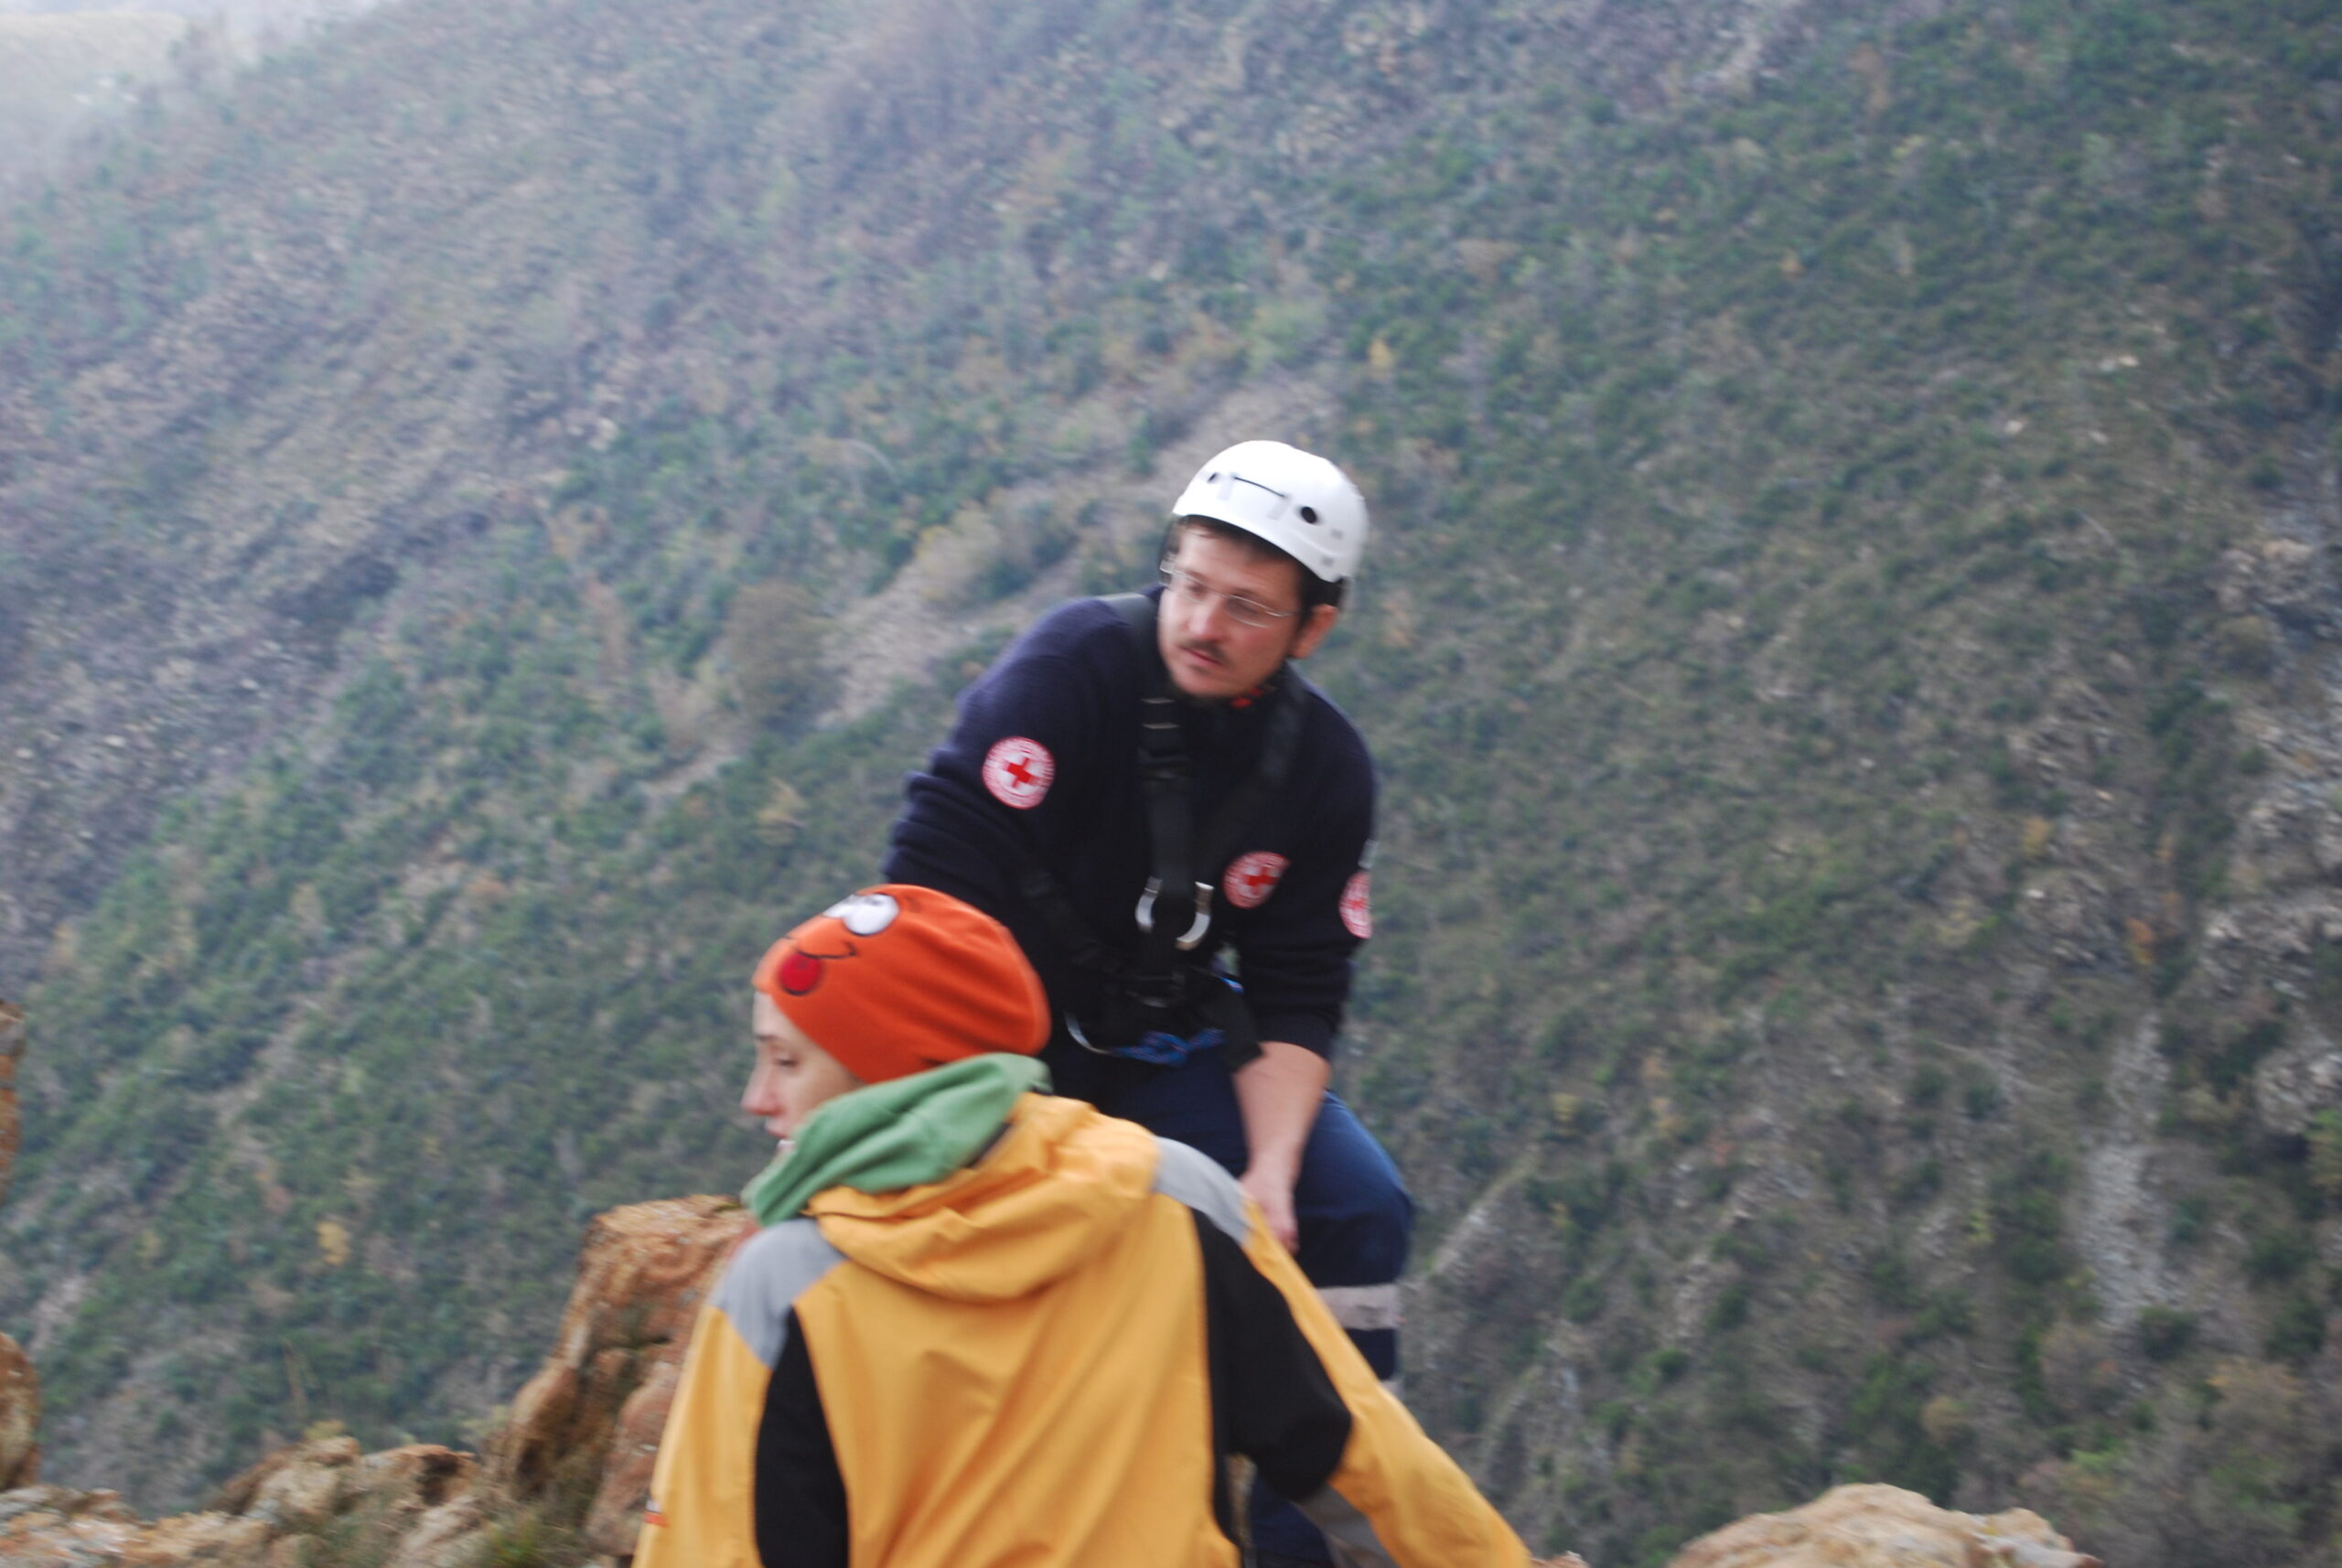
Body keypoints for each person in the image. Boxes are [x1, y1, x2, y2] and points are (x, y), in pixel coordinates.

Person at [633, 884, 1529, 1568]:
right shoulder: (1174, 1197)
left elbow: (717, 1546)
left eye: (786, 1061)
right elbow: (1361, 1458)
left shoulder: (784, 1287)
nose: (756, 1099)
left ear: (892, 1075)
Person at [884, 440, 1405, 1565]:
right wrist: (972, 1105)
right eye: (1189, 583)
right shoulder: (1075, 667)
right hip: (996, 1053)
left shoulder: (1324, 768)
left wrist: (1271, 1174)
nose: (1201, 624)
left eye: (1246, 608)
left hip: (1162, 1044)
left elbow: (1300, 987)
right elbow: (931, 871)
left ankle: (1319, 1546)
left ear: (1314, 626)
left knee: (1356, 1205)